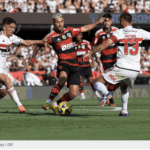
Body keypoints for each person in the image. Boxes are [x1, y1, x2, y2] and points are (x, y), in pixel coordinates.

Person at [30, 13, 106, 114]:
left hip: (75, 64)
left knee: (73, 93)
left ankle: (56, 104)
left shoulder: (70, 31)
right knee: (62, 80)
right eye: (57, 22)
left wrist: (97, 22)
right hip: (63, 63)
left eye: (62, 22)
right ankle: (48, 101)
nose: (60, 24)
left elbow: (84, 28)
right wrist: (33, 58)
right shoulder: (51, 36)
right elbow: (39, 45)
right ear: (53, 23)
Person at [83, 13, 150, 116]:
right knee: (124, 88)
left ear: (122, 22)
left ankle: (107, 94)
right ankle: (124, 111)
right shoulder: (140, 32)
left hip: (122, 67)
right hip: (135, 70)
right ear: (131, 22)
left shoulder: (119, 32)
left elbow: (106, 44)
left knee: (98, 83)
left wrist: (90, 53)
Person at [0, 17, 47, 113]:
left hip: (3, 68)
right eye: (11, 27)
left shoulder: (11, 38)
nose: (13, 30)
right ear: (4, 27)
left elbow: (25, 42)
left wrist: (40, 41)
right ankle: (20, 105)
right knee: (7, 80)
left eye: (14, 27)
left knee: (3, 92)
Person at [92, 13, 119, 106]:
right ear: (102, 22)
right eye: (104, 21)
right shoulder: (99, 33)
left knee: (118, 80)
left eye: (108, 21)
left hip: (117, 59)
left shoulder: (117, 30)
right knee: (111, 79)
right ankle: (110, 100)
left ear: (111, 21)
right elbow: (93, 46)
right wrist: (97, 57)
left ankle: (106, 94)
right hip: (106, 60)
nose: (106, 23)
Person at [74, 32, 101, 100]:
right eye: (76, 35)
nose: (77, 36)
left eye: (79, 35)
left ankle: (97, 94)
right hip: (78, 65)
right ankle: (83, 96)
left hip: (86, 65)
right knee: (79, 80)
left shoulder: (86, 43)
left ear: (81, 36)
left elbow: (92, 50)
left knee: (91, 80)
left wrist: (94, 59)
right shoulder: (73, 44)